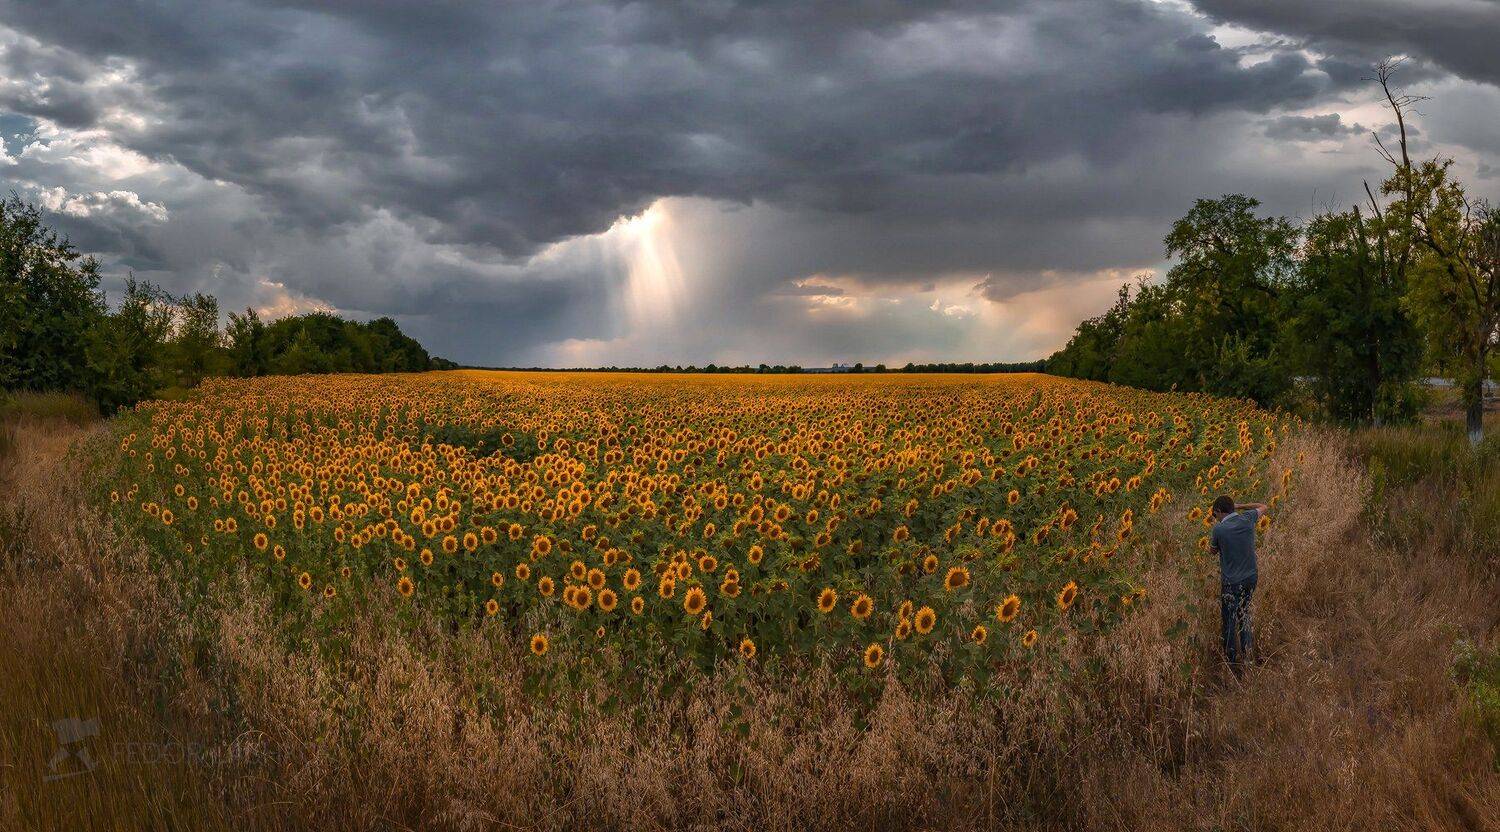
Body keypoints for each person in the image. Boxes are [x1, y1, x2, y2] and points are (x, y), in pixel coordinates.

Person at [1209, 495, 1267, 672]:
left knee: (1229, 622)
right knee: (1244, 616)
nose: (1214, 517)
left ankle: (1232, 663)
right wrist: (1240, 506)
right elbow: (1263, 505)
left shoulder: (1219, 529)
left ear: (1219, 511)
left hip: (1231, 582)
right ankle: (1248, 659)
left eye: (1214, 513)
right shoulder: (1248, 518)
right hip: (1250, 578)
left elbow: (1212, 551)